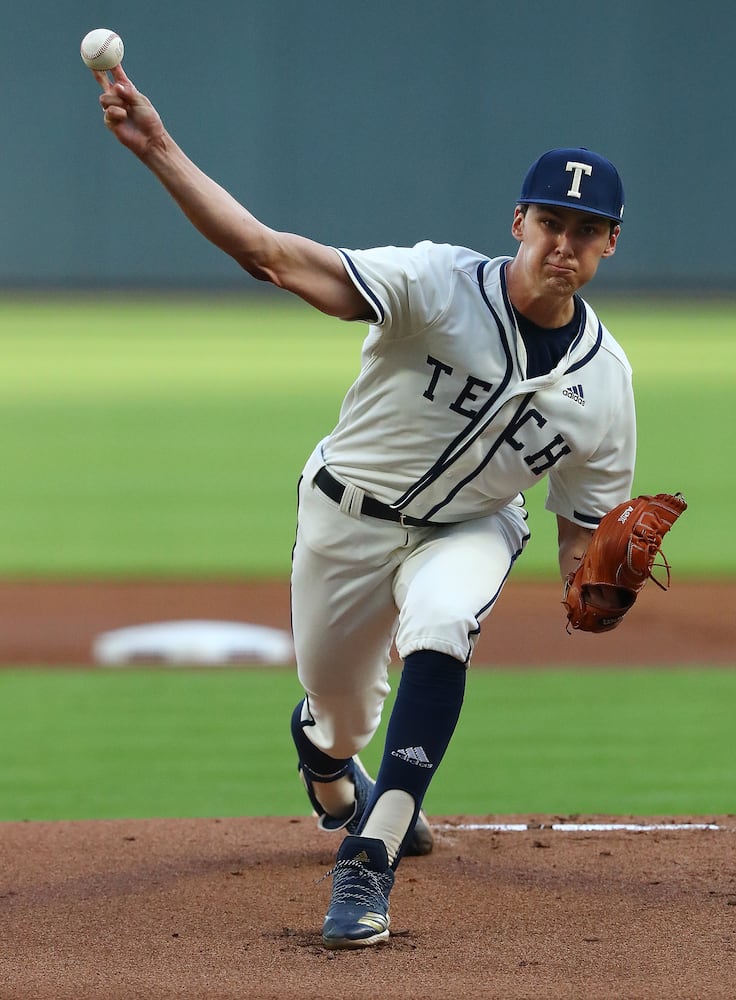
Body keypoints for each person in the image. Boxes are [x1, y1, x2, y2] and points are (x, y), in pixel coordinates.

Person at [91, 64, 635, 950]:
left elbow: (582, 534)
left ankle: (368, 860)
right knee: (341, 710)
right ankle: (325, 749)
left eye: (585, 230)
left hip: (471, 527)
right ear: (517, 223)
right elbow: (271, 254)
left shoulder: (606, 386)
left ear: (612, 242)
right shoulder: (433, 283)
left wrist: (597, 587)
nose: (562, 244)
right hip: (345, 518)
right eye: (549, 223)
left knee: (444, 623)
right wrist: (159, 148)